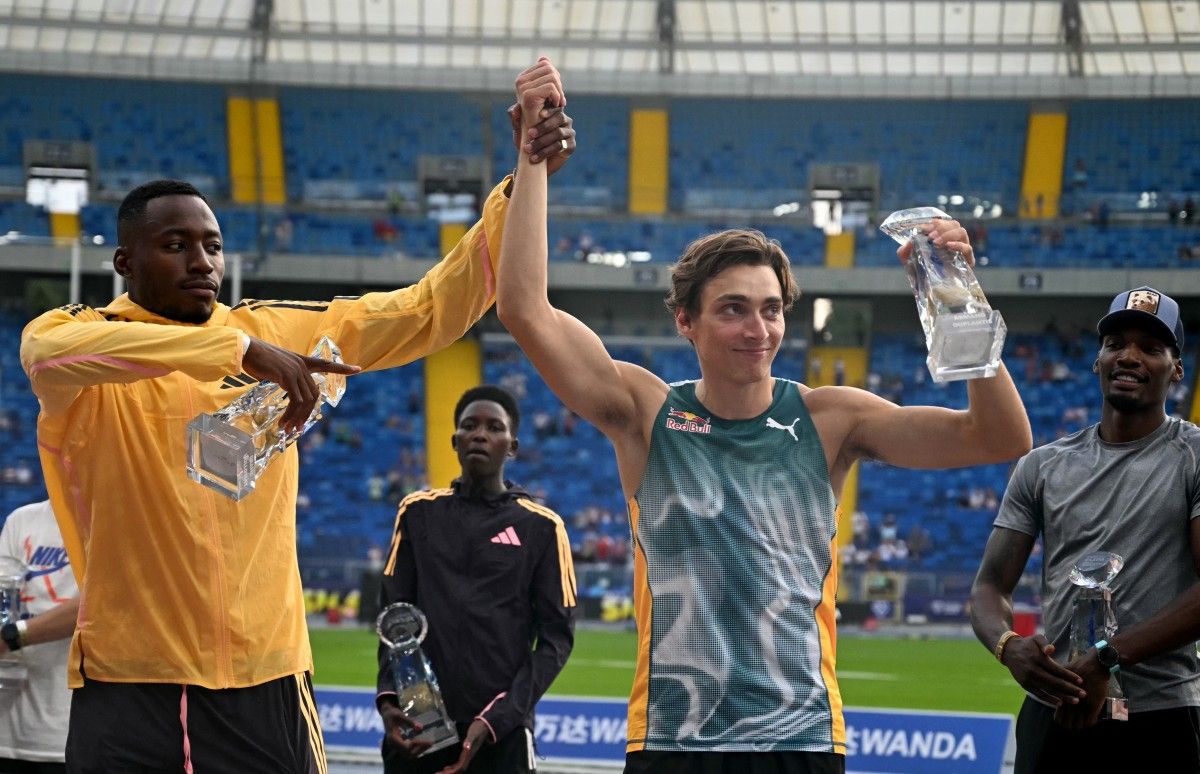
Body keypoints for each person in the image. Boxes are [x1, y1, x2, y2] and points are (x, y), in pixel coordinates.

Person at [18, 77, 578, 772]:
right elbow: (43, 351)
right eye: (175, 245)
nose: (202, 262)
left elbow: (429, 310)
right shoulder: (86, 340)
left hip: (268, 681)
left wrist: (522, 182)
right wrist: (237, 352)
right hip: (130, 685)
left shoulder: (279, 328)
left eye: (212, 245)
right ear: (125, 263)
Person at [497, 58, 1032, 771]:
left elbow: (998, 436)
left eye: (773, 309)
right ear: (686, 321)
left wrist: (963, 297)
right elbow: (523, 308)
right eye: (734, 310)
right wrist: (532, 158)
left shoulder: (830, 420)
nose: (760, 328)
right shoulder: (645, 412)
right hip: (671, 741)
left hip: (803, 741)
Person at [970, 286, 1200, 773]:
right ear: (1097, 360)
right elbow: (989, 588)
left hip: (1162, 715)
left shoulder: (1194, 456)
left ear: (1176, 369)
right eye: (1116, 343)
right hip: (1056, 710)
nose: (1129, 356)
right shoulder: (1041, 467)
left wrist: (1106, 659)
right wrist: (1009, 647)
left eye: (1150, 347)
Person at [375, 385, 575, 773]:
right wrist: (389, 700)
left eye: (494, 428)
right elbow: (394, 618)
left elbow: (556, 639)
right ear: (454, 440)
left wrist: (499, 718)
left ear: (512, 446)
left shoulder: (542, 527)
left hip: (501, 732)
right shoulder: (417, 513)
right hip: (421, 723)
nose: (480, 434)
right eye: (470, 426)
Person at [0, 499, 80, 773]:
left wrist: (14, 635)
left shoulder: (109, 521)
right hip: (8, 727)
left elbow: (98, 605)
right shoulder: (21, 519)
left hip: (67, 734)